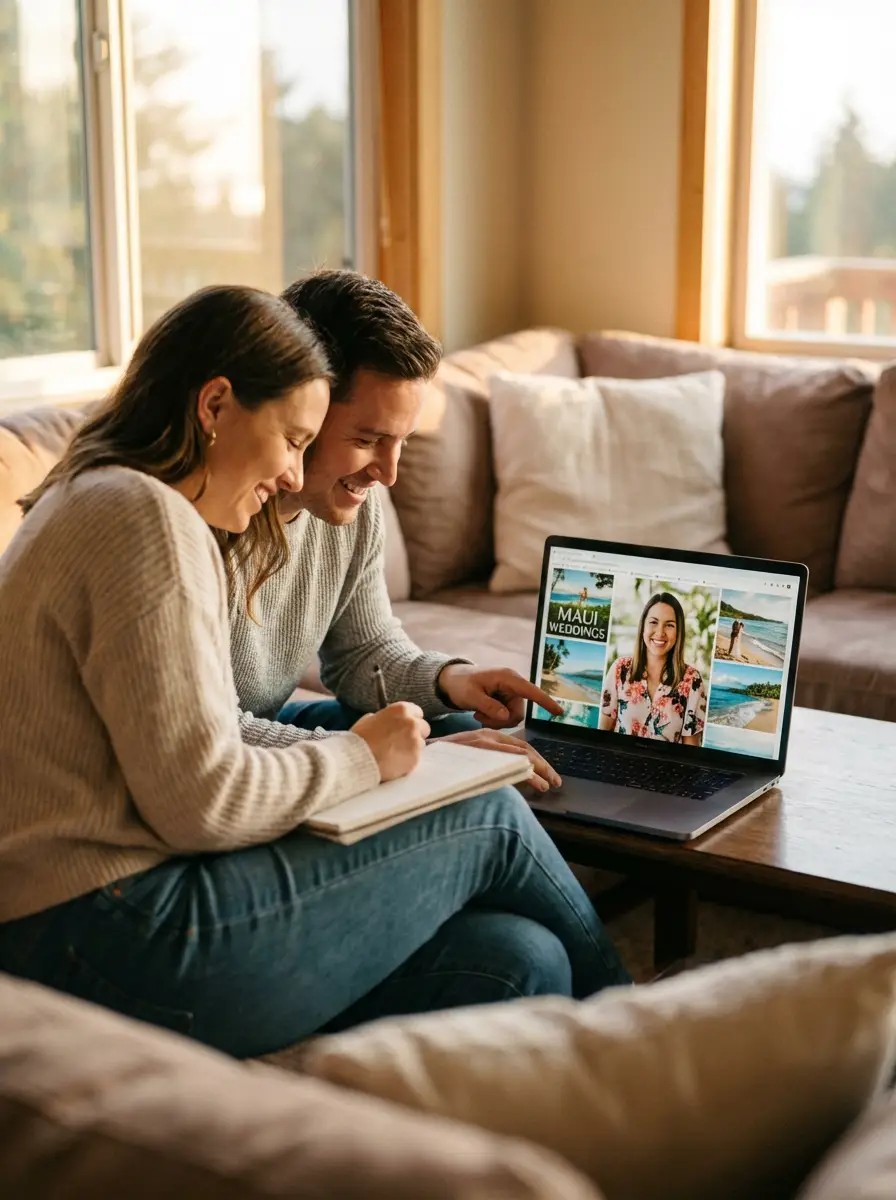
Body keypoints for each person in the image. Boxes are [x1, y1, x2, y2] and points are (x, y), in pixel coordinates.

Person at [0, 286, 629, 1060]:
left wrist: (442, 692)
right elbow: (205, 791)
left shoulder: (130, 500)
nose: (295, 470)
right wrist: (372, 760)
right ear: (217, 405)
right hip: (103, 920)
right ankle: (647, 1045)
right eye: (301, 437)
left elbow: (344, 665)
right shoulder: (151, 515)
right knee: (481, 808)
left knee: (521, 957)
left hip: (124, 886)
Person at [599, 591, 707, 745]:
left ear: (678, 632)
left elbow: (690, 751)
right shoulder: (620, 669)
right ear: (643, 626)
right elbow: (601, 738)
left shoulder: (692, 680)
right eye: (653, 622)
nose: (660, 632)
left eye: (669, 625)